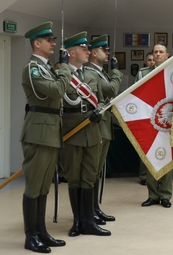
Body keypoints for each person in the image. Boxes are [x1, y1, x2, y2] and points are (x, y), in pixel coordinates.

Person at [20, 21, 68, 253]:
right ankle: (31, 236)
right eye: (49, 40)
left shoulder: (47, 67)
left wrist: (60, 71)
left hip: (49, 130)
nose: (53, 43)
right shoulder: (33, 68)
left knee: (44, 188)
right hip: (38, 131)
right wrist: (65, 69)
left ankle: (41, 231)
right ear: (37, 43)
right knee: (34, 186)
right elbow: (58, 91)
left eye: (53, 40)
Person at [58, 31, 111, 237]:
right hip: (72, 132)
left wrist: (99, 111)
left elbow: (100, 99)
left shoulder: (91, 75)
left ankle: (89, 221)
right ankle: (77, 221)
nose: (88, 52)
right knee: (74, 178)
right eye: (83, 49)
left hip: (92, 132)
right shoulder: (62, 75)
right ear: (72, 52)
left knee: (89, 177)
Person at [84, 34, 122, 224]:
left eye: (107, 50)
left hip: (104, 125)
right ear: (93, 53)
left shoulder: (99, 72)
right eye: (103, 50)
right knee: (92, 170)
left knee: (97, 170)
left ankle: (95, 208)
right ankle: (90, 210)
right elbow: (111, 90)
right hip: (98, 126)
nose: (107, 53)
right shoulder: (90, 72)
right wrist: (116, 72)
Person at [138, 44, 173, 208]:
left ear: (167, 55)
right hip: (149, 120)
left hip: (167, 120)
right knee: (150, 158)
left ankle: (165, 195)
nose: (158, 54)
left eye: (161, 52)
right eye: (155, 52)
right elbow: (136, 97)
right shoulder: (143, 74)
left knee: (167, 158)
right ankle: (152, 195)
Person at [135, 51, 155, 185]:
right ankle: (143, 176)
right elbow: (135, 94)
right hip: (145, 115)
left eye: (153, 60)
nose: (152, 62)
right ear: (145, 62)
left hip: (160, 114)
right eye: (149, 60)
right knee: (145, 147)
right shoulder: (142, 73)